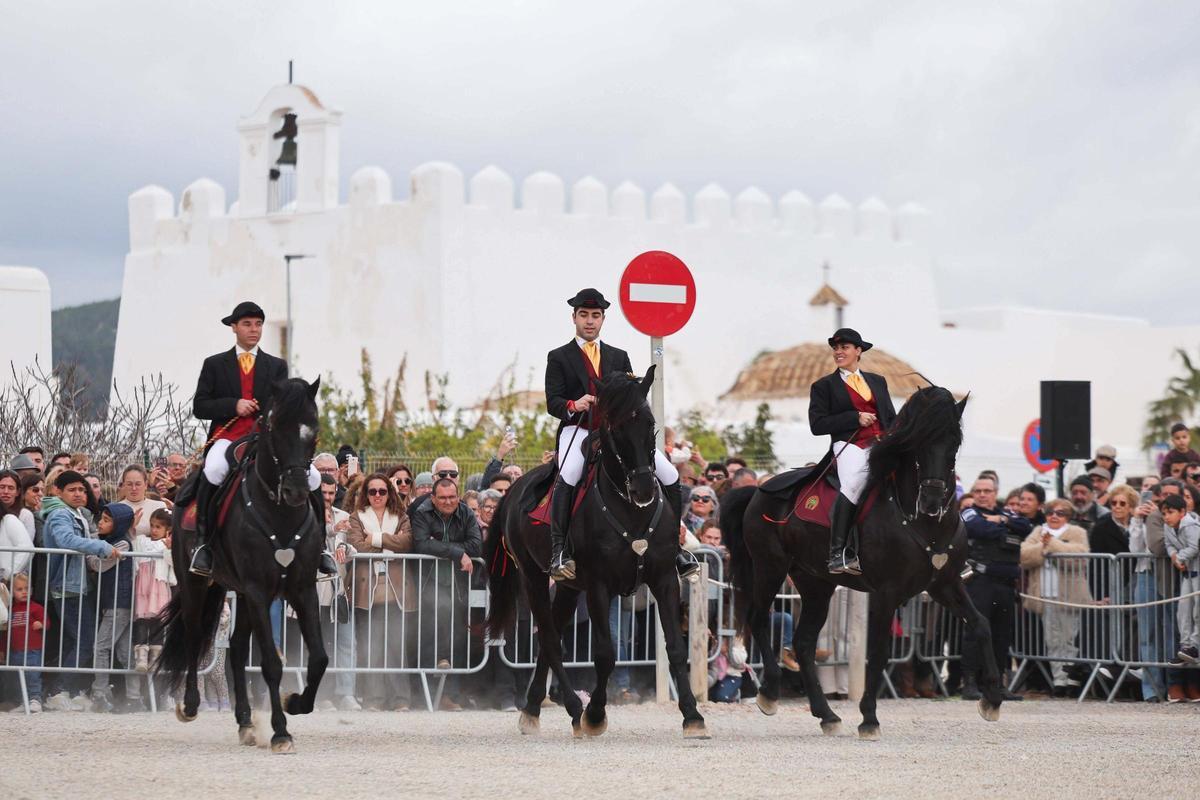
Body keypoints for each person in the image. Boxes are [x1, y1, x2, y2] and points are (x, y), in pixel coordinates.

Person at [543, 287, 693, 581]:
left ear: (602, 319)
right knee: (571, 472)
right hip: (578, 428)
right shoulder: (559, 356)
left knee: (670, 475)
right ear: (574, 317)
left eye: (595, 316)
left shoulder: (618, 356)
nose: (589, 321)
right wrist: (575, 404)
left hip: (615, 432)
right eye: (584, 315)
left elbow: (631, 396)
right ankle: (560, 550)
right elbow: (553, 401)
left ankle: (675, 548)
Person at [189, 300, 331, 578]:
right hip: (228, 437)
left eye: (258, 324)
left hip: (264, 439)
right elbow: (200, 406)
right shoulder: (214, 364)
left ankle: (322, 547)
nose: (254, 330)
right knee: (214, 469)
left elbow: (284, 407)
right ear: (234, 327)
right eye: (247, 324)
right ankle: (204, 544)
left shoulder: (277, 366)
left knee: (312, 477)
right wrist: (234, 405)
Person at [808, 328, 897, 575]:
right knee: (855, 483)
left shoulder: (878, 381)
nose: (838, 352)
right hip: (850, 444)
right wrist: (854, 418)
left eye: (844, 347)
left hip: (881, 443)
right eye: (836, 348)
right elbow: (817, 425)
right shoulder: (823, 386)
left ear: (858, 351)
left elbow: (890, 416)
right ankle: (838, 552)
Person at [40, 470, 121, 710]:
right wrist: (101, 546)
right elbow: (67, 540)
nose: (79, 494)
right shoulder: (59, 514)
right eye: (72, 490)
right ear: (58, 491)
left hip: (75, 585)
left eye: (82, 490)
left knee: (76, 641)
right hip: (67, 586)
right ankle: (58, 690)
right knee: (86, 642)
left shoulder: (75, 513)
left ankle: (69, 690)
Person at [410, 477, 482, 710]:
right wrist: (456, 552)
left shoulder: (466, 513)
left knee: (458, 639)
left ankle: (449, 695)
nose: (448, 501)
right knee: (436, 624)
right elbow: (421, 544)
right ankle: (429, 694)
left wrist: (442, 546)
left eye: (452, 497)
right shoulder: (422, 512)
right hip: (428, 582)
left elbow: (476, 545)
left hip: (458, 586)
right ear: (433, 498)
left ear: (458, 496)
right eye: (442, 498)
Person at [346, 473, 415, 711]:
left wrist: (374, 538)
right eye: (372, 491)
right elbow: (356, 544)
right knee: (370, 646)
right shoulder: (356, 517)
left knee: (397, 646)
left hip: (396, 591)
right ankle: (374, 699)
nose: (377, 496)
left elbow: (407, 543)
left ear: (389, 493)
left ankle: (400, 699)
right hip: (368, 590)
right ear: (365, 494)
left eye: (382, 491)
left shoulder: (401, 516)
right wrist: (388, 547)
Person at [959, 475, 1031, 699]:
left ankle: (997, 684)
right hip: (981, 582)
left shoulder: (1006, 513)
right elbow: (979, 529)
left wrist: (1001, 521)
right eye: (978, 490)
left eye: (987, 491)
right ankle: (969, 683)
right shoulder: (969, 512)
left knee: (1002, 635)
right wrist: (1004, 527)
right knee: (976, 632)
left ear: (995, 492)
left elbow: (1025, 526)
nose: (982, 494)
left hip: (1006, 584)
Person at [1019, 498, 1090, 695]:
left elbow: (1080, 557)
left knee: (1069, 639)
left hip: (1069, 595)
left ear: (1068, 516)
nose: (1054, 516)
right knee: (1052, 641)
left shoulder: (1077, 532)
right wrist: (1044, 547)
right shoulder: (1037, 531)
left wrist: (1052, 544)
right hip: (1044, 595)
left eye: (1060, 513)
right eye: (1050, 512)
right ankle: (1059, 680)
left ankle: (1072, 681)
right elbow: (1023, 555)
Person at [86, 502, 140, 712]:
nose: (101, 522)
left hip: (119, 603)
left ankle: (100, 693)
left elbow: (99, 565)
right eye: (102, 518)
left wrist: (89, 553)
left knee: (101, 647)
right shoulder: (107, 541)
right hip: (114, 603)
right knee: (125, 652)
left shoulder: (123, 544)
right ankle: (134, 697)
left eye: (108, 520)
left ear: (119, 525)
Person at [316, 475, 359, 711]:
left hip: (338, 590)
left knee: (346, 642)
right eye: (323, 494)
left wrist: (344, 547)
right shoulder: (306, 515)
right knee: (320, 644)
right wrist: (332, 531)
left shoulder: (344, 516)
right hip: (315, 590)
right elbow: (314, 539)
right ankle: (321, 694)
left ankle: (346, 693)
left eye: (332, 493)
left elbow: (352, 546)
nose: (329, 498)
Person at [132, 508, 175, 675]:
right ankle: (141, 657)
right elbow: (134, 542)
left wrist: (170, 549)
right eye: (152, 525)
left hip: (159, 586)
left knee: (158, 622)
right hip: (144, 587)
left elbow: (173, 563)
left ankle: (156, 658)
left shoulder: (168, 544)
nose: (154, 530)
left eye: (159, 527)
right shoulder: (143, 540)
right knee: (142, 620)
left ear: (168, 530)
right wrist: (133, 527)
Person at [1162, 494, 1200, 665]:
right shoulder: (1167, 526)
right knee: (1183, 611)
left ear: (1182, 512)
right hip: (1188, 574)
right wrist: (1174, 555)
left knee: (1197, 612)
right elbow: (1169, 544)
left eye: (1170, 512)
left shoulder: (1192, 526)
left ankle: (1195, 646)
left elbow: (1194, 546)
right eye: (1164, 513)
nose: (1167, 516)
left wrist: (1180, 558)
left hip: (1197, 572)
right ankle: (1185, 646)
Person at [6, 573, 47, 713]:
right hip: (15, 650)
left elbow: (47, 622)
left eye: (27, 588)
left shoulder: (36, 607)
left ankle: (35, 699)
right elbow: (6, 631)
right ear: (11, 592)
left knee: (32, 675)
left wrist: (40, 623)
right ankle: (23, 701)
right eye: (19, 589)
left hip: (33, 649)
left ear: (32, 590)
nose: (24, 591)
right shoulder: (10, 609)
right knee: (17, 676)